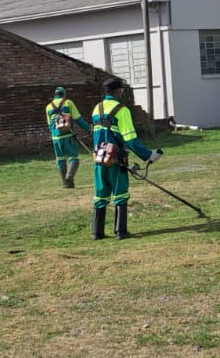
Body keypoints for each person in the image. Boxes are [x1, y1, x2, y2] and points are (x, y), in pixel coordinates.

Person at [90, 77, 161, 240]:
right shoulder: (122, 110)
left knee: (100, 194)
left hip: (99, 157)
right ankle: (120, 232)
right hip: (116, 158)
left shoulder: (96, 108)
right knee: (120, 193)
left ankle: (97, 232)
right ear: (118, 92)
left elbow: (94, 134)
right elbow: (130, 139)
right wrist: (148, 155)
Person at [44, 86, 90, 188]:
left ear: (55, 95)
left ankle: (66, 184)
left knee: (60, 159)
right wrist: (88, 129)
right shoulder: (68, 103)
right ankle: (69, 176)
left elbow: (50, 125)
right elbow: (78, 119)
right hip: (68, 135)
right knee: (74, 158)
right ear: (64, 94)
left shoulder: (48, 107)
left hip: (56, 138)